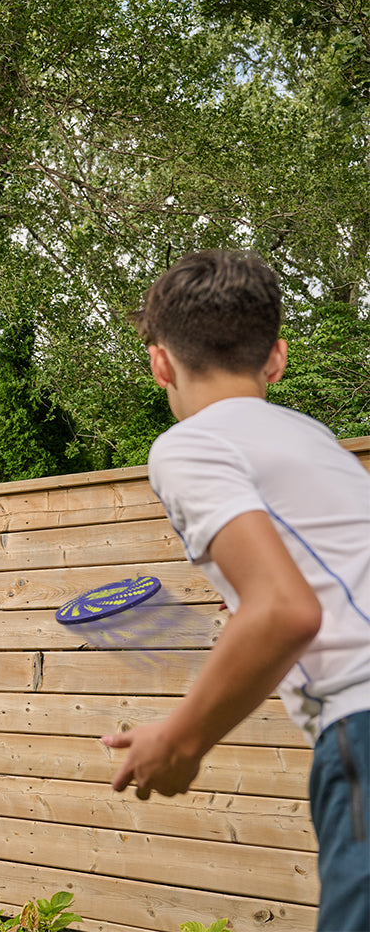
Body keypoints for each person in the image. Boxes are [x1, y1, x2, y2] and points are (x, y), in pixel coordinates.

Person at [101, 249, 370, 931]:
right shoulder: (315, 443)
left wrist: (180, 739)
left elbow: (287, 610)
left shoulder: (190, 445)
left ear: (161, 362)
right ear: (275, 358)